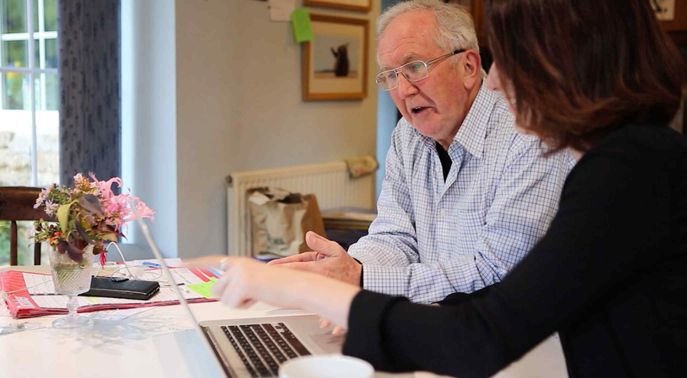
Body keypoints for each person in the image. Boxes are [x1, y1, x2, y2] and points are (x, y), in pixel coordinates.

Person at [208, 0, 687, 376]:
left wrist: (298, 285)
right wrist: (349, 273)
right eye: (391, 76)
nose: (498, 82)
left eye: (512, 58)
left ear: (569, 58)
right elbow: (403, 247)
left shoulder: (628, 166)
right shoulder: (633, 158)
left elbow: (482, 329)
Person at [270, 0, 573, 304]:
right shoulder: (408, 136)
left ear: (468, 67)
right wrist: (346, 269)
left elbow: (497, 271)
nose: (402, 91)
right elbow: (394, 238)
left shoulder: (530, 136)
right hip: (435, 324)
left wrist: (361, 278)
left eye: (415, 67)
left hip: (519, 340)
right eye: (390, 75)